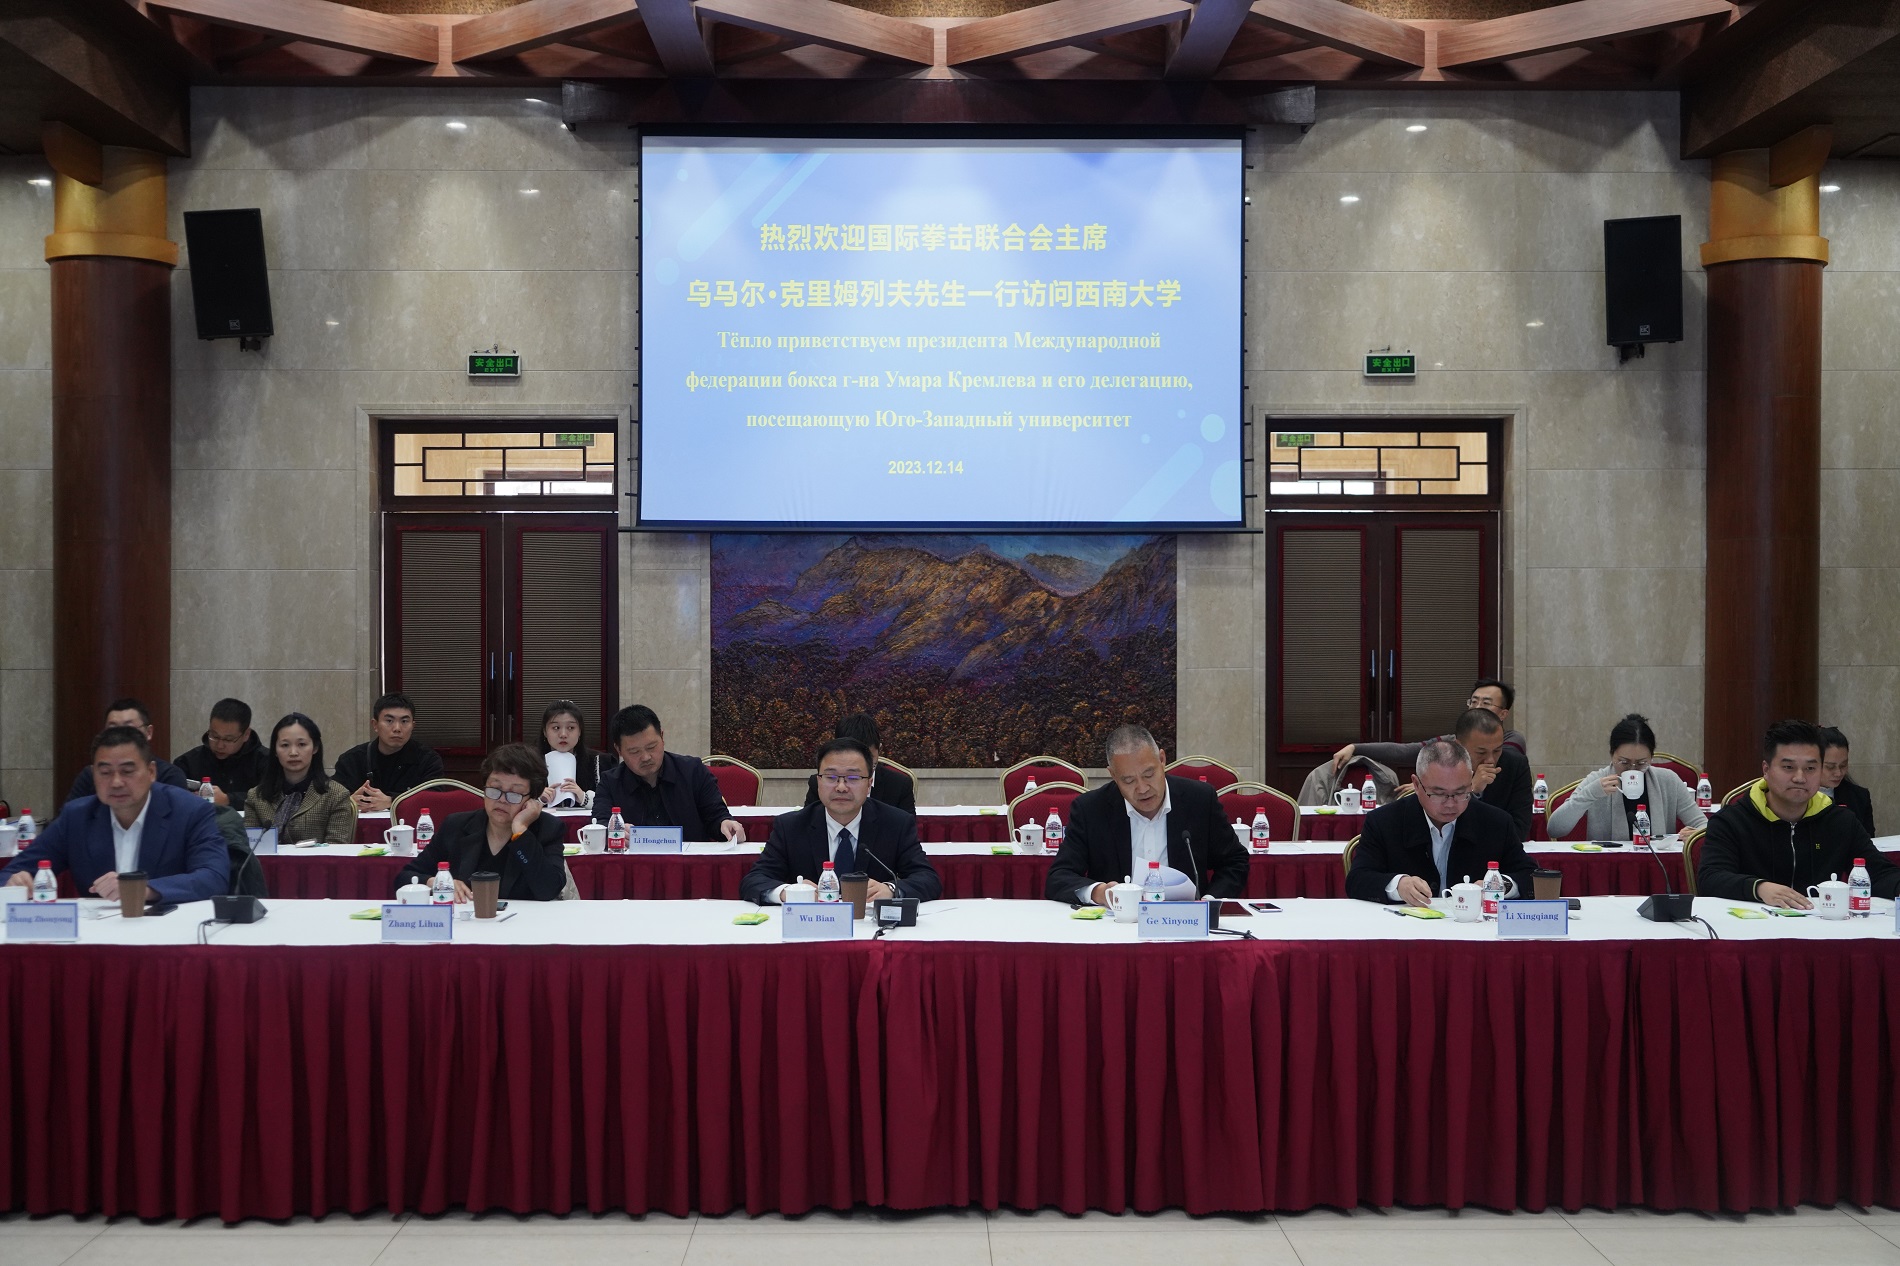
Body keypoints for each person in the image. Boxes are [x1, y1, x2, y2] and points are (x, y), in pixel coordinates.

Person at [4, 725, 228, 905]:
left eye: (127, 771)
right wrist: (14, 884)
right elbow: (11, 873)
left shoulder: (189, 811)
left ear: (151, 772)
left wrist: (139, 889)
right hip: (96, 936)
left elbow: (214, 877)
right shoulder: (77, 817)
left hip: (169, 932)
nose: (116, 782)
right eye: (105, 772)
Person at [1697, 719, 1899, 909]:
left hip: (1822, 925)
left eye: (1810, 768)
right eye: (1788, 767)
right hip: (1752, 926)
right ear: (1766, 770)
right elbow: (1710, 878)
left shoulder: (1841, 821)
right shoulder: (1731, 821)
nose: (1800, 778)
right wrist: (1759, 888)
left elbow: (1880, 873)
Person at [1044, 725, 1250, 905]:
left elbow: (1234, 861)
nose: (1142, 788)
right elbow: (1059, 876)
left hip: (1186, 920)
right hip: (1118, 923)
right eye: (1128, 780)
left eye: (1149, 774)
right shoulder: (1090, 809)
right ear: (1113, 775)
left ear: (1162, 760)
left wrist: (1210, 901)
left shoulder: (1200, 800)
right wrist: (1100, 892)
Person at [741, 737, 940, 905]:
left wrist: (891, 889)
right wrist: (788, 892)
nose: (841, 787)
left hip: (871, 927)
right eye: (831, 777)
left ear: (869, 783)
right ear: (818, 781)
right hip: (812, 926)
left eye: (853, 778)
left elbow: (928, 879)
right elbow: (754, 880)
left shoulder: (896, 824)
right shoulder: (791, 827)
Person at [1346, 738, 1535, 906]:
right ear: (1417, 785)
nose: (1450, 804)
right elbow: (1357, 879)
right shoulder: (1384, 821)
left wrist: (1500, 885)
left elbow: (1531, 875)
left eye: (1460, 792)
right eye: (1438, 794)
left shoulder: (1496, 822)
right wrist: (1398, 885)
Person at [395, 743, 569, 902]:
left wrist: (520, 831)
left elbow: (548, 890)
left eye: (515, 793)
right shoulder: (456, 825)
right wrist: (437, 882)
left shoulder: (548, 828)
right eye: (495, 789)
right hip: (467, 922)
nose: (502, 800)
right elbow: (405, 877)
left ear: (531, 798)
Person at [1328, 709, 1533, 839]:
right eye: (1481, 753)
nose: (1490, 760)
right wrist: (1471, 790)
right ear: (1458, 745)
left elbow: (1519, 830)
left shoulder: (1515, 765)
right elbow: (1404, 751)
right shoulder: (1441, 763)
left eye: (1497, 750)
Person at [591, 705, 745, 843]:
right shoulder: (610, 782)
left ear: (662, 737)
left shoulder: (693, 771)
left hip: (688, 862)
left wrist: (725, 824)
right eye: (634, 751)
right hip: (635, 863)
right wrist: (612, 832)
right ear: (619, 750)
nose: (646, 757)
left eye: (651, 747)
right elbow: (600, 823)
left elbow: (716, 816)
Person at [1547, 713, 1706, 842]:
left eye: (1641, 763)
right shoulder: (1597, 781)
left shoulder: (1668, 781)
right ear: (1612, 755)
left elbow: (1704, 825)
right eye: (1624, 762)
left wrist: (1695, 834)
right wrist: (1589, 795)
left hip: (1657, 863)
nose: (1632, 768)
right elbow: (1554, 829)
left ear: (1651, 758)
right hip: (1608, 865)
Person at [245, 713, 357, 845]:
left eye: (302, 744)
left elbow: (336, 849)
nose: (293, 752)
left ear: (315, 747)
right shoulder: (256, 797)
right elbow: (249, 848)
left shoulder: (336, 795)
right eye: (285, 745)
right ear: (275, 750)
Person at [332, 693, 445, 814]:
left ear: (413, 726)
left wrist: (393, 801)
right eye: (389, 721)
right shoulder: (351, 760)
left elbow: (435, 801)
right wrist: (348, 802)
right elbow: (329, 800)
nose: (397, 728)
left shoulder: (428, 760)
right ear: (375, 725)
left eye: (404, 721)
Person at [66, 698, 189, 803]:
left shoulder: (170, 776)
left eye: (128, 771)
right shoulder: (90, 775)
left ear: (149, 732)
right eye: (113, 729)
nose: (116, 783)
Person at [801, 712, 916, 816]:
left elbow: (907, 828)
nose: (862, 765)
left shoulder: (899, 784)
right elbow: (807, 824)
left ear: (879, 749)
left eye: (868, 757)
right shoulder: (820, 783)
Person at [173, 697, 271, 809]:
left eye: (228, 739)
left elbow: (271, 799)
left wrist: (229, 799)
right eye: (214, 736)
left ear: (246, 735)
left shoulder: (267, 762)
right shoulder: (187, 762)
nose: (220, 745)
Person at [536, 699, 608, 806]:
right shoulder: (530, 762)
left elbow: (612, 803)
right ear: (545, 732)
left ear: (580, 731)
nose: (563, 734)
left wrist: (584, 798)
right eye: (556, 728)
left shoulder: (599, 762)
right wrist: (539, 799)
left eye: (571, 728)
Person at [1820, 726, 1876, 837]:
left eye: (1843, 765)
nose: (1838, 773)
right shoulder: (1797, 796)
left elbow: (1869, 840)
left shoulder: (1859, 797)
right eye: (1830, 767)